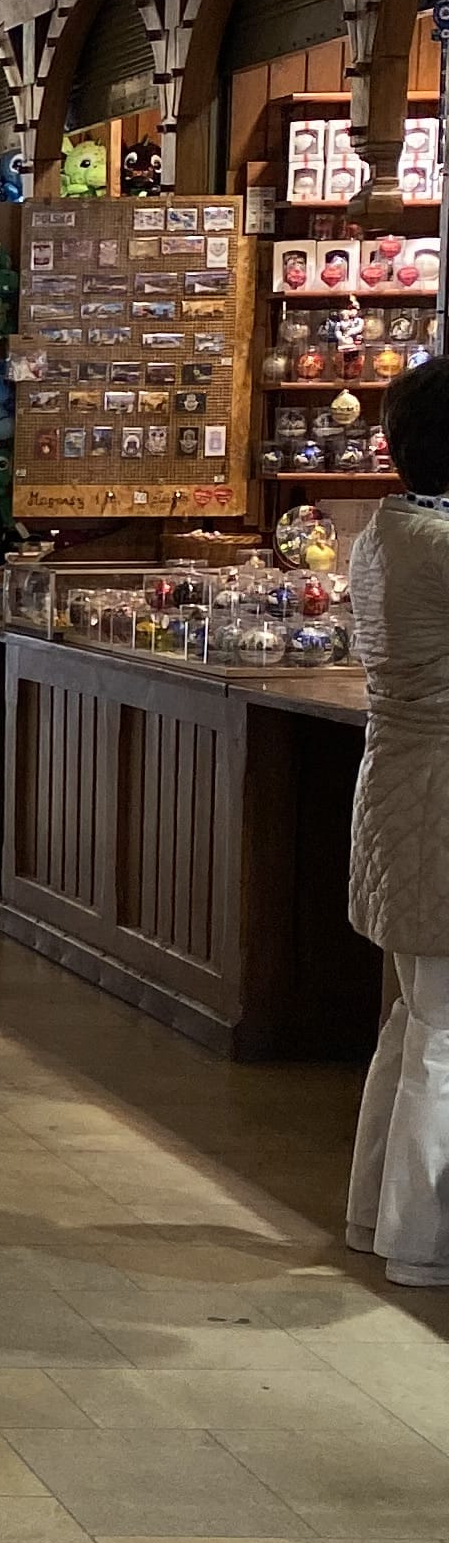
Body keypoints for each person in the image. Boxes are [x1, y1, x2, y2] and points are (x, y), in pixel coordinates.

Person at [347, 356, 449, 1281]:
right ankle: (420, 1243)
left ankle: (371, 1214)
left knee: (415, 1020)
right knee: (441, 1034)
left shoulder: (388, 531)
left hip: (400, 786)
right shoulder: (437, 546)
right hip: (438, 800)